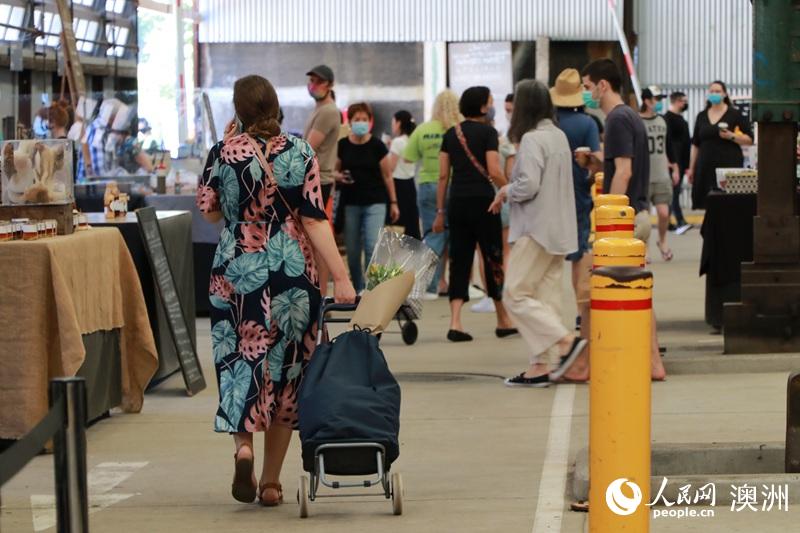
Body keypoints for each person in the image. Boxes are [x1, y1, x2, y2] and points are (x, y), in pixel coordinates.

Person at [197, 75, 355, 507]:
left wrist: (224, 157)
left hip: (236, 274)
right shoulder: (300, 150)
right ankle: (270, 482)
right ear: (274, 106)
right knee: (287, 373)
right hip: (291, 273)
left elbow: (209, 214)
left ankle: (243, 448)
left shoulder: (223, 153)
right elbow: (314, 218)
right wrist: (340, 276)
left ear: (238, 109)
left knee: (238, 363)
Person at [570, 58, 666, 381]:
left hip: (625, 219)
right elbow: (620, 166)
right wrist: (596, 163)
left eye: (586, 87)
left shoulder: (617, 120)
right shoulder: (627, 117)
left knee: (595, 293)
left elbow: (623, 172)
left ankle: (586, 364)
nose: (585, 94)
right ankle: (652, 361)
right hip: (633, 214)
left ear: (603, 85)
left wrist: (608, 216)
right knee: (637, 293)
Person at [489, 80, 587, 387]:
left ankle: (566, 342)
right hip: (560, 230)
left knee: (515, 294)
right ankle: (542, 365)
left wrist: (506, 189)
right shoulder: (558, 136)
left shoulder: (532, 139)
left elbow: (529, 185)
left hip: (536, 229)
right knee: (545, 298)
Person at [433, 86, 516, 342]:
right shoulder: (489, 133)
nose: (492, 106)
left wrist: (440, 211)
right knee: (492, 257)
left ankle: (456, 322)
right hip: (484, 202)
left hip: (457, 202)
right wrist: (509, 189)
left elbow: (443, 175)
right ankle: (502, 319)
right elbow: (493, 168)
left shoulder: (450, 134)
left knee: (460, 259)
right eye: (490, 102)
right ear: (482, 107)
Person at [549, 67, 601, 362]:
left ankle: (554, 318)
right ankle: (582, 314)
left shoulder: (549, 126)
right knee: (580, 255)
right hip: (579, 197)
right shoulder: (588, 123)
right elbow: (595, 162)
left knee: (553, 259)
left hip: (550, 199)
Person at [403, 89, 462, 299]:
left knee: (432, 235)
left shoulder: (423, 130)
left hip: (428, 185)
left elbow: (407, 158)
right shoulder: (459, 129)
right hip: (455, 186)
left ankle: (431, 284)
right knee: (454, 238)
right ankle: (451, 283)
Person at [337, 102, 400, 292]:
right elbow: (333, 171)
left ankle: (372, 290)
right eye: (357, 119)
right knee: (353, 251)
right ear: (350, 122)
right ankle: (358, 289)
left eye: (365, 119)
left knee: (373, 246)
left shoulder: (377, 145)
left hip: (376, 202)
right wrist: (339, 177)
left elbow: (388, 176)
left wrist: (394, 202)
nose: (361, 123)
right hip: (350, 203)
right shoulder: (343, 145)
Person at [687, 80, 753, 209]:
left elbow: (750, 139)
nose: (714, 94)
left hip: (728, 164)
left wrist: (731, 136)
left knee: (728, 202)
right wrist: (691, 168)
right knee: (706, 202)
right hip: (705, 165)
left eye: (717, 91)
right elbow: (695, 144)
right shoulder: (701, 116)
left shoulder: (734, 114)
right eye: (711, 91)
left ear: (725, 94)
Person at [303, 65, 341, 296]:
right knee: (315, 239)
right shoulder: (319, 110)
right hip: (317, 180)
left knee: (320, 240)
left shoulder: (328, 111)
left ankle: (321, 295)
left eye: (319, 81)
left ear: (329, 85)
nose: (314, 85)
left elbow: (308, 147)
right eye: (311, 80)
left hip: (320, 181)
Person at [640, 87, 678, 261]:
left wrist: (675, 167)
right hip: (643, 176)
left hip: (662, 174)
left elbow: (669, 146)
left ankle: (662, 240)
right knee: (644, 217)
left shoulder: (662, 121)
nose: (660, 102)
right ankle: (644, 247)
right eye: (657, 99)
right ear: (647, 101)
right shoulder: (637, 121)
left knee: (663, 213)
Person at [387, 110, 421, 239]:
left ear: (399, 123)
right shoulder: (412, 140)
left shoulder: (398, 142)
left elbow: (391, 167)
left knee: (398, 222)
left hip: (398, 184)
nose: (392, 125)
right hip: (410, 184)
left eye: (393, 122)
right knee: (411, 220)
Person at [664, 91, 692, 233]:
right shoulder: (667, 119)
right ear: (675, 101)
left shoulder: (682, 120)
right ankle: (679, 220)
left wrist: (687, 166)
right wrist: (670, 161)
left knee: (675, 193)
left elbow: (687, 144)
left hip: (681, 163)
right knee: (672, 194)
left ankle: (671, 222)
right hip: (672, 163)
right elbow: (666, 143)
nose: (685, 104)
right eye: (683, 101)